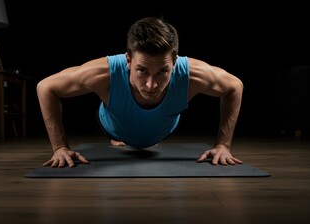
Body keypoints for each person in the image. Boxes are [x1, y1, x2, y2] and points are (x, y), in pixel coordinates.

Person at [37, 16, 243, 168]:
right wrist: (60, 148)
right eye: (142, 71)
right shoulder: (103, 72)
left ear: (174, 61)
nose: (151, 85)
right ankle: (121, 137)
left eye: (163, 71)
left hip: (163, 129)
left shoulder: (193, 74)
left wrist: (223, 145)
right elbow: (46, 87)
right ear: (128, 60)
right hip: (112, 127)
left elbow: (235, 86)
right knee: (121, 131)